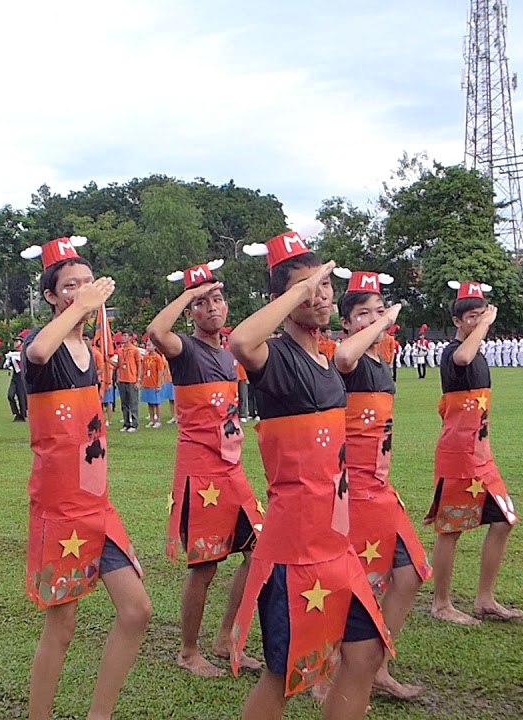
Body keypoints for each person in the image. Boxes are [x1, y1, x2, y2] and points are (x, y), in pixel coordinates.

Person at [229, 233, 390, 719]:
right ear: (283, 297)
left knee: (363, 654)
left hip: (335, 540)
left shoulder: (326, 361)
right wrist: (297, 292)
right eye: (306, 287)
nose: (319, 296)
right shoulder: (273, 358)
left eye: (324, 286)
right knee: (282, 675)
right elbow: (240, 341)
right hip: (295, 549)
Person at [18, 235, 150, 720]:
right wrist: (82, 308)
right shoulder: (43, 345)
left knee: (136, 611)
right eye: (69, 286)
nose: (83, 292)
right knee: (62, 628)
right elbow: (37, 352)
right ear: (52, 296)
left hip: (98, 506)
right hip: (61, 508)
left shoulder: (89, 351)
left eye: (88, 284)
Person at [146, 258, 265, 677]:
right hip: (201, 474)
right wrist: (187, 293)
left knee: (259, 551)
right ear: (192, 310)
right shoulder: (185, 348)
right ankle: (188, 651)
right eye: (203, 303)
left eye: (217, 299)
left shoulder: (228, 349)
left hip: (232, 470)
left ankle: (226, 637)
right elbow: (157, 332)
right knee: (206, 565)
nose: (212, 307)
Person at [332, 266, 433, 700]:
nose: (373, 320)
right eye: (363, 315)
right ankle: (339, 671)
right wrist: (384, 320)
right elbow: (343, 359)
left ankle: (375, 666)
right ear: (346, 324)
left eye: (378, 311)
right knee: (356, 586)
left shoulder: (379, 359)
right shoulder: (347, 359)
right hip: (355, 492)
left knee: (408, 575)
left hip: (380, 488)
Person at [424, 280, 521, 626]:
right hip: (458, 456)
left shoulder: (477, 353)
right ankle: (441, 603)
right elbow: (464, 354)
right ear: (457, 321)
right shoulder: (455, 352)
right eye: (471, 317)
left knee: (504, 521)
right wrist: (483, 326)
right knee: (450, 529)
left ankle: (484, 599)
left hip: (481, 455)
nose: (478, 321)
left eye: (481, 315)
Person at [115, 333, 141, 433]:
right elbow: (119, 365)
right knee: (124, 403)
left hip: (132, 379)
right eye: (122, 335)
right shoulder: (120, 350)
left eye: (125, 335)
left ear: (130, 337)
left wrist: (138, 380)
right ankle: (126, 423)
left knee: (133, 403)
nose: (123, 337)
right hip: (122, 380)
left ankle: (134, 424)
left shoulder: (135, 350)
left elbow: (139, 365)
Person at [140, 338, 165, 429]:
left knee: (157, 402)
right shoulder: (146, 357)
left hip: (155, 383)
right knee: (149, 402)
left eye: (150, 345)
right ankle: (151, 419)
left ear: (154, 347)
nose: (148, 347)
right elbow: (143, 369)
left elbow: (160, 371)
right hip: (147, 382)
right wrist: (141, 379)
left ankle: (158, 420)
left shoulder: (157, 357)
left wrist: (159, 384)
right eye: (147, 345)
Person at [6, 334, 29, 422]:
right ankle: (16, 412)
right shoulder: (12, 354)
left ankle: (22, 415)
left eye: (17, 341)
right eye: (15, 341)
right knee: (10, 395)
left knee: (21, 396)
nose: (15, 343)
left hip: (22, 376)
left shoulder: (24, 353)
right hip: (15, 376)